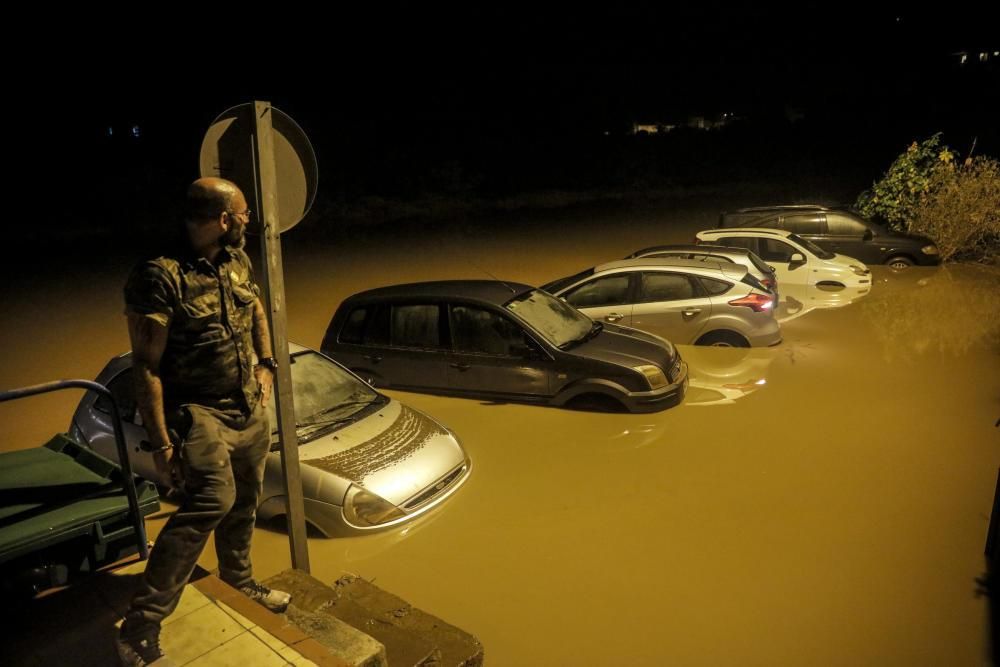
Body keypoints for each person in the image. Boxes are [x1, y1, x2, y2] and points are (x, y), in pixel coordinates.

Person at [116, 177, 290, 667]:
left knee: (247, 500)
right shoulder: (160, 275)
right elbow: (146, 365)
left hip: (246, 405)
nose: (249, 221)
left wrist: (266, 363)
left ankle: (239, 583)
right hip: (197, 412)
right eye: (243, 213)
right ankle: (140, 626)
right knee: (212, 499)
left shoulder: (236, 260)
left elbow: (254, 305)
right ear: (221, 219)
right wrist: (162, 446)